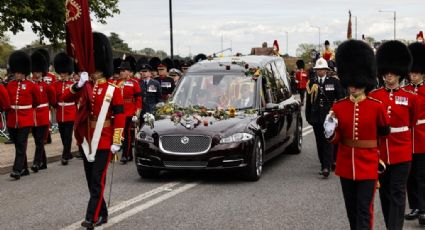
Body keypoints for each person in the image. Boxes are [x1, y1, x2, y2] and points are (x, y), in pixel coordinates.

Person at [325, 40, 390, 230]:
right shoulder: (339, 106)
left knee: (364, 209)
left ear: (365, 81)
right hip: (346, 165)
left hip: (368, 165)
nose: (353, 87)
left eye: (357, 84)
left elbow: (383, 135)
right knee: (351, 210)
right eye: (350, 83)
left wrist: (381, 159)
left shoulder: (376, 106)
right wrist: (330, 132)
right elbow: (336, 139)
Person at [62, 32, 125, 228]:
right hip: (87, 140)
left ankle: (92, 217)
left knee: (97, 180)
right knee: (91, 181)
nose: (93, 72)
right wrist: (78, 84)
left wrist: (116, 140)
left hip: (104, 139)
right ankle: (103, 213)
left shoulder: (113, 89)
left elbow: (120, 116)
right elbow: (64, 98)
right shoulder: (85, 86)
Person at [369, 40, 416, 230]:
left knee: (398, 193)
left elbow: (411, 123)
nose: (389, 76)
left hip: (402, 151)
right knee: (385, 193)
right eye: (386, 73)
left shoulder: (411, 98)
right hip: (381, 153)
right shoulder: (375, 96)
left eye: (392, 73)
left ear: (399, 73)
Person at [305, 57, 343, 178]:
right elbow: (309, 103)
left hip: (329, 117)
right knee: (319, 142)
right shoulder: (311, 83)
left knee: (328, 141)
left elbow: (340, 99)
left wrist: (337, 113)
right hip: (316, 117)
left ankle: (326, 166)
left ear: (326, 70)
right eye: (318, 69)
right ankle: (323, 163)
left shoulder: (334, 82)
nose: (320, 71)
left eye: (322, 69)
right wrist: (308, 117)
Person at [7, 51, 41, 180]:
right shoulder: (10, 85)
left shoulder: (32, 85)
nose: (18, 74)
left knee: (21, 144)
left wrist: (26, 110)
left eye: (20, 72)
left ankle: (17, 170)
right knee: (18, 145)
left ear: (24, 72)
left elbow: (37, 101)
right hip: (12, 119)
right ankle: (25, 168)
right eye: (16, 72)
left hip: (25, 119)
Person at [404, 42, 425, 223]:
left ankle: (424, 208)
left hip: (423, 137)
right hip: (407, 138)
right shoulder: (405, 91)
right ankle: (415, 206)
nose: (413, 76)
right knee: (410, 176)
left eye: (416, 73)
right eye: (411, 73)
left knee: (422, 175)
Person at [30, 50, 56, 172]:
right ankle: (43, 162)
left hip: (43, 115)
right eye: (35, 71)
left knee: (40, 140)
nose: (37, 74)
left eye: (39, 72)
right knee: (37, 140)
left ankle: (36, 163)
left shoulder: (46, 86)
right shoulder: (30, 84)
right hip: (33, 116)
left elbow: (52, 99)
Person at [53, 52, 77, 165]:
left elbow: (76, 99)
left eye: (64, 73)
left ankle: (64, 156)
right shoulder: (56, 84)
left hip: (70, 112)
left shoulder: (73, 84)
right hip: (60, 112)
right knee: (62, 135)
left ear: (68, 73)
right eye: (61, 73)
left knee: (68, 135)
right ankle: (68, 153)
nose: (62, 74)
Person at [117, 60, 141, 164]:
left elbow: (139, 99)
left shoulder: (134, 83)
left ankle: (125, 155)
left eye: (123, 70)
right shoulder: (116, 83)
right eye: (120, 70)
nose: (121, 72)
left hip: (129, 111)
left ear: (128, 72)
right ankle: (129, 154)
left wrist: (137, 112)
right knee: (120, 133)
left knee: (127, 134)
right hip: (118, 111)